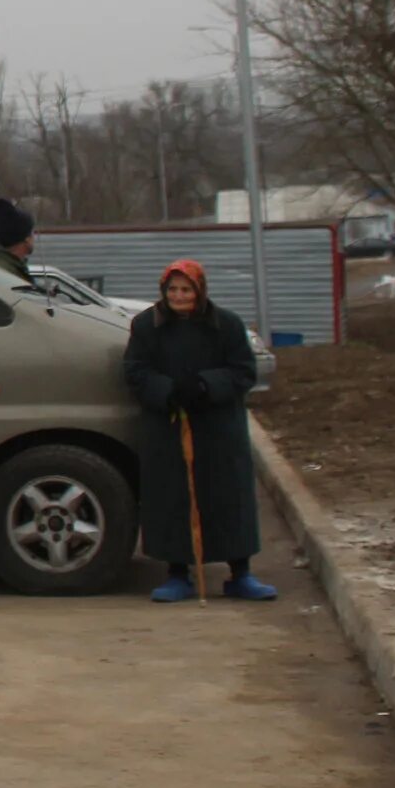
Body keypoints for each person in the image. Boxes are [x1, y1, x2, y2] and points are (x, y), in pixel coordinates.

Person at [123, 258, 276, 603]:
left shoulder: (227, 325)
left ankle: (240, 574)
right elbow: (134, 371)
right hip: (169, 426)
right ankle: (178, 574)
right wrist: (167, 390)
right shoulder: (147, 326)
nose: (179, 296)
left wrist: (206, 385)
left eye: (186, 289)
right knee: (173, 497)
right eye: (173, 289)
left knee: (228, 497)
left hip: (219, 427)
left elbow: (243, 372)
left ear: (199, 291)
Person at [0, 198, 37, 283]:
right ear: (26, 238)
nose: (34, 237)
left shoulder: (9, 266)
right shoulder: (7, 273)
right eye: (32, 232)